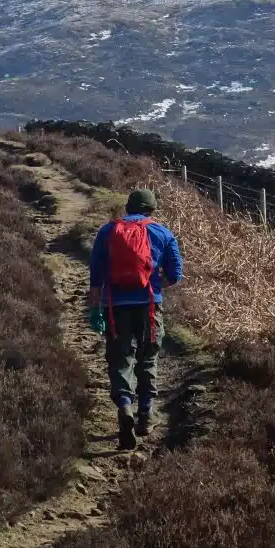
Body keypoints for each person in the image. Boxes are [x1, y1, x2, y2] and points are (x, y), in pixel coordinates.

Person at [86, 187, 183, 450]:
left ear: (127, 207)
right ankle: (146, 414)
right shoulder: (163, 233)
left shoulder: (108, 232)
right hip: (149, 307)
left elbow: (95, 276)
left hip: (115, 308)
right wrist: (155, 285)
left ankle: (125, 407)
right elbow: (175, 274)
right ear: (152, 209)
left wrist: (95, 310)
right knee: (148, 357)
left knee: (120, 359)